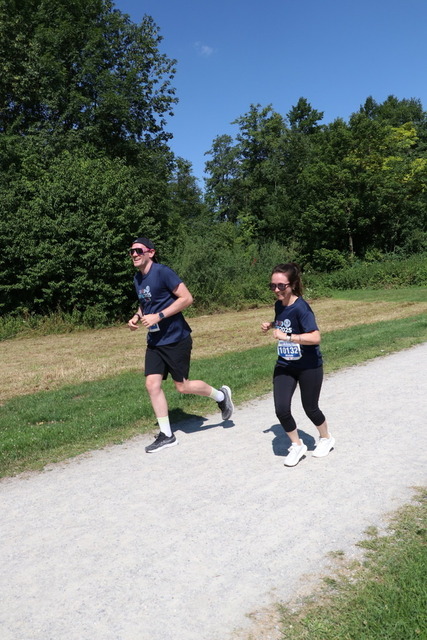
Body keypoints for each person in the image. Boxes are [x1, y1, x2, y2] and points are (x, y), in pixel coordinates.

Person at [128, 237, 234, 453]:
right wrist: (137, 316)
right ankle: (167, 435)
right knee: (152, 384)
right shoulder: (137, 279)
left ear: (151, 252)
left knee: (182, 386)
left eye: (139, 250)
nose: (134, 255)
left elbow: (187, 298)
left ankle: (221, 396)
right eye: (131, 252)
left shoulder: (163, 272)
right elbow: (146, 302)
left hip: (176, 338)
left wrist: (159, 316)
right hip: (155, 341)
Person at [261, 262, 334, 467]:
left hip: (309, 365)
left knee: (310, 408)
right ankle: (297, 445)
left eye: (281, 286)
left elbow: (315, 337)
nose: (276, 290)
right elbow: (285, 323)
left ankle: (326, 438)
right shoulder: (279, 305)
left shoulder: (302, 308)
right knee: (281, 409)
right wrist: (272, 325)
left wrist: (287, 337)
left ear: (292, 285)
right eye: (273, 285)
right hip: (285, 364)